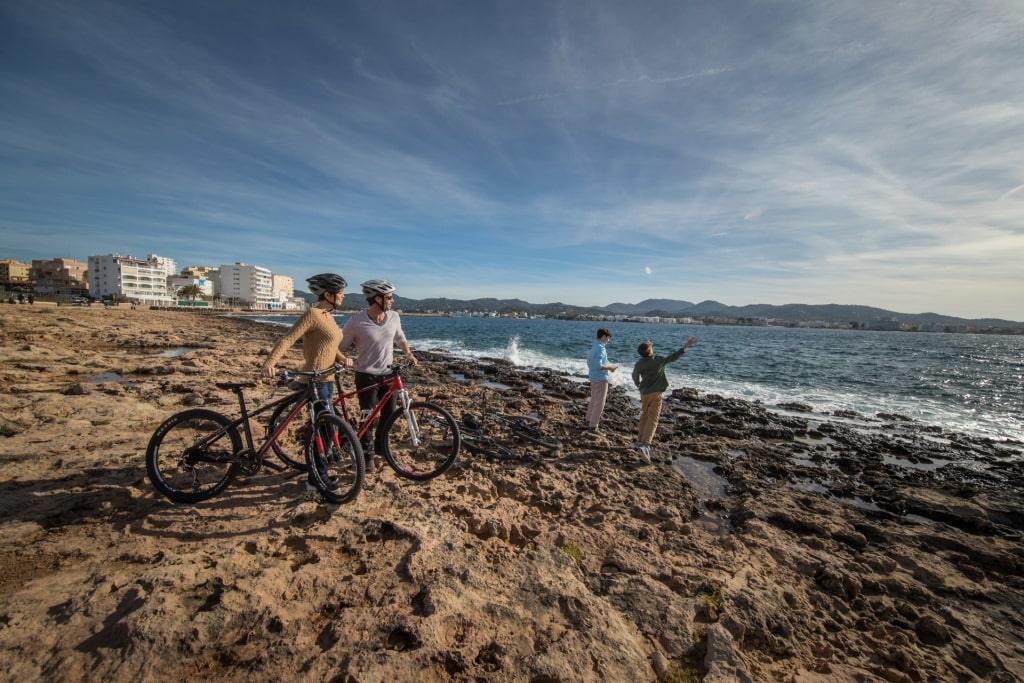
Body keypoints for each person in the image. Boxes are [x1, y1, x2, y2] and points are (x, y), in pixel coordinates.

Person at [261, 273, 353, 489]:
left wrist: (343, 358)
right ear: (327, 294)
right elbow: (288, 338)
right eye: (339, 293)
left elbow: (328, 346)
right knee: (325, 429)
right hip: (314, 380)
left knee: (330, 426)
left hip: (327, 379)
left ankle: (317, 468)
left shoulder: (328, 316)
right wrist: (270, 363)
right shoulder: (312, 314)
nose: (343, 296)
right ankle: (316, 479)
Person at [340, 279, 418, 472]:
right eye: (389, 297)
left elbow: (400, 337)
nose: (392, 301)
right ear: (377, 299)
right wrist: (343, 360)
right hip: (366, 375)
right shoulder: (356, 321)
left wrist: (408, 353)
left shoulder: (394, 317)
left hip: (389, 374)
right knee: (368, 418)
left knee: (389, 415)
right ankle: (367, 457)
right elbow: (339, 347)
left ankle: (380, 448)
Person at [631, 336, 699, 463]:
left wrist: (638, 384)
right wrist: (687, 345)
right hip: (656, 393)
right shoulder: (659, 360)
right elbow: (674, 356)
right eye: (651, 346)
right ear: (650, 351)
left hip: (644, 393)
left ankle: (639, 440)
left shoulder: (639, 363)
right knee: (653, 418)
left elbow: (634, 375)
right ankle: (645, 444)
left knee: (645, 416)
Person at [585, 327, 617, 433]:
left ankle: (588, 420)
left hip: (593, 377)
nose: (609, 340)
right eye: (608, 338)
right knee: (599, 403)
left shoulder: (595, 346)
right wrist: (611, 368)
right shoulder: (601, 348)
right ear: (603, 336)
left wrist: (609, 365)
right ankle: (593, 426)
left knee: (594, 400)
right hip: (600, 378)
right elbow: (599, 365)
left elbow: (591, 362)